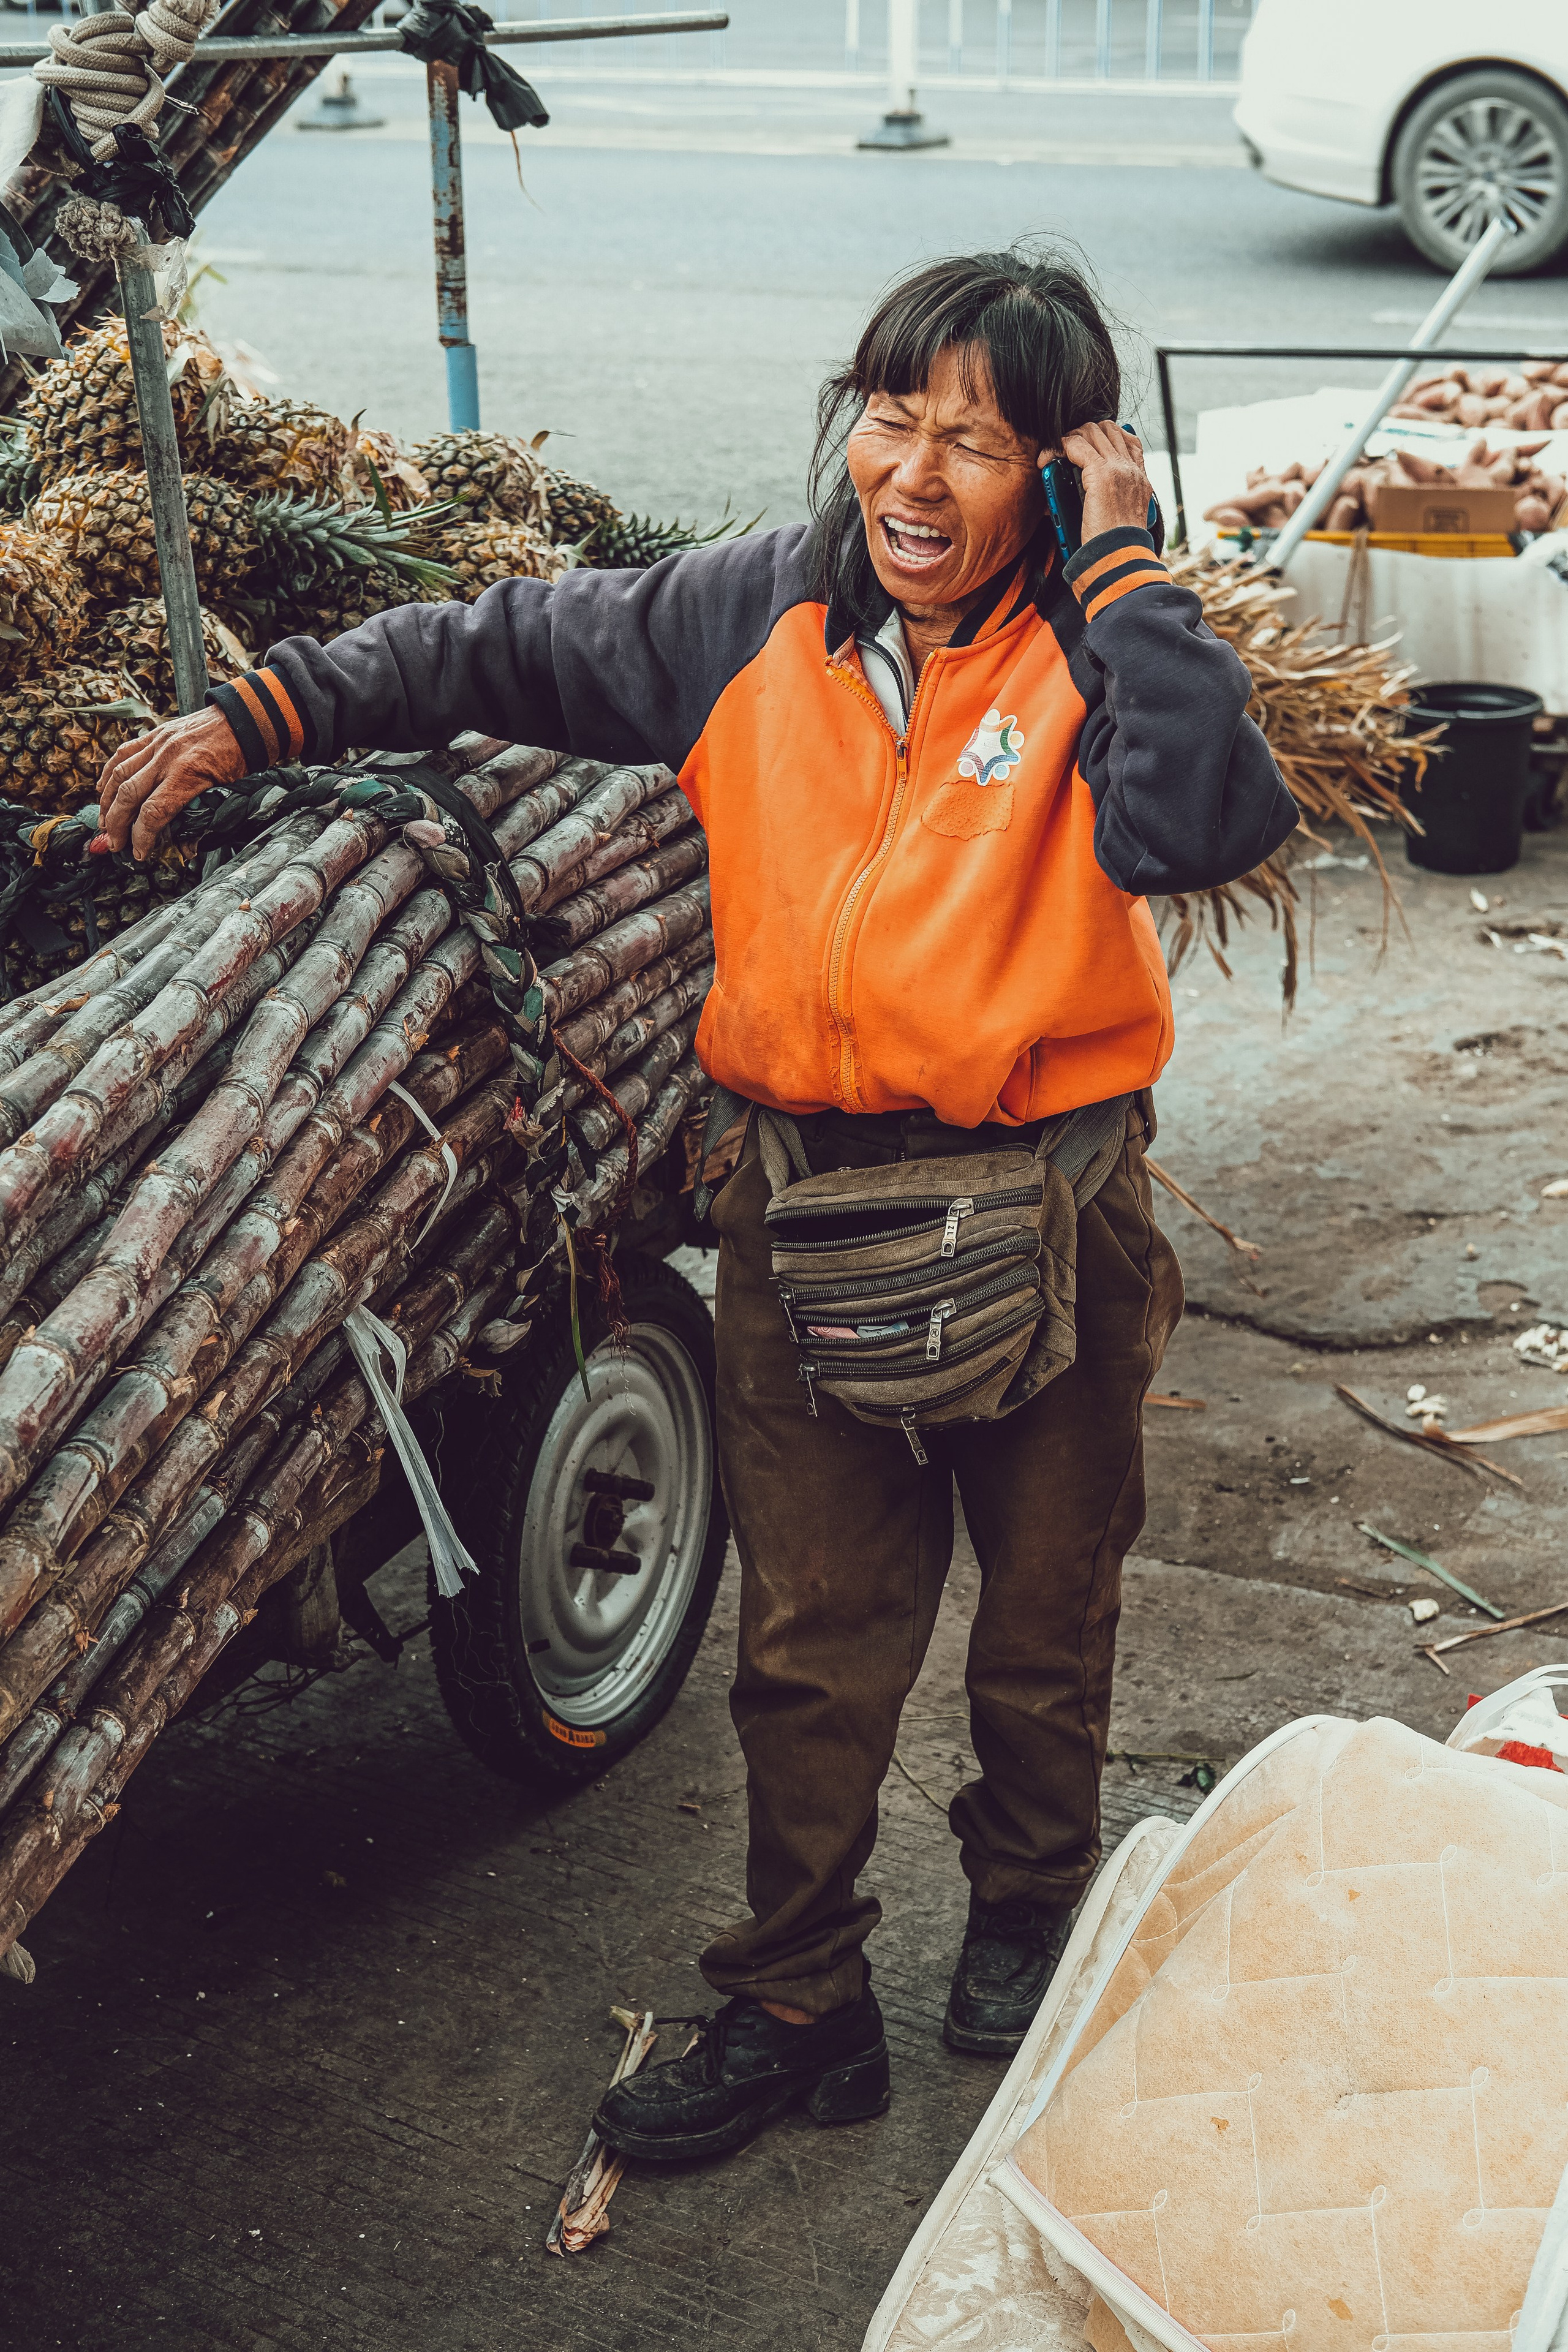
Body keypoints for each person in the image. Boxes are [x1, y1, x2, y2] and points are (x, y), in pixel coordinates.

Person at [99, 244, 1295, 2164]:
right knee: (811, 1639)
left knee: (1046, 1616)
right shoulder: (752, 612)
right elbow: (491, 640)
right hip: (806, 1215)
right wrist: (264, 713)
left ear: (1061, 472)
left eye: (978, 444)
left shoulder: (1101, 640)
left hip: (1055, 1218)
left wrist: (1130, 564)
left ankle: (1027, 1907)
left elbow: (1204, 825)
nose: (914, 477)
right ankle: (799, 2001)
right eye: (893, 418)